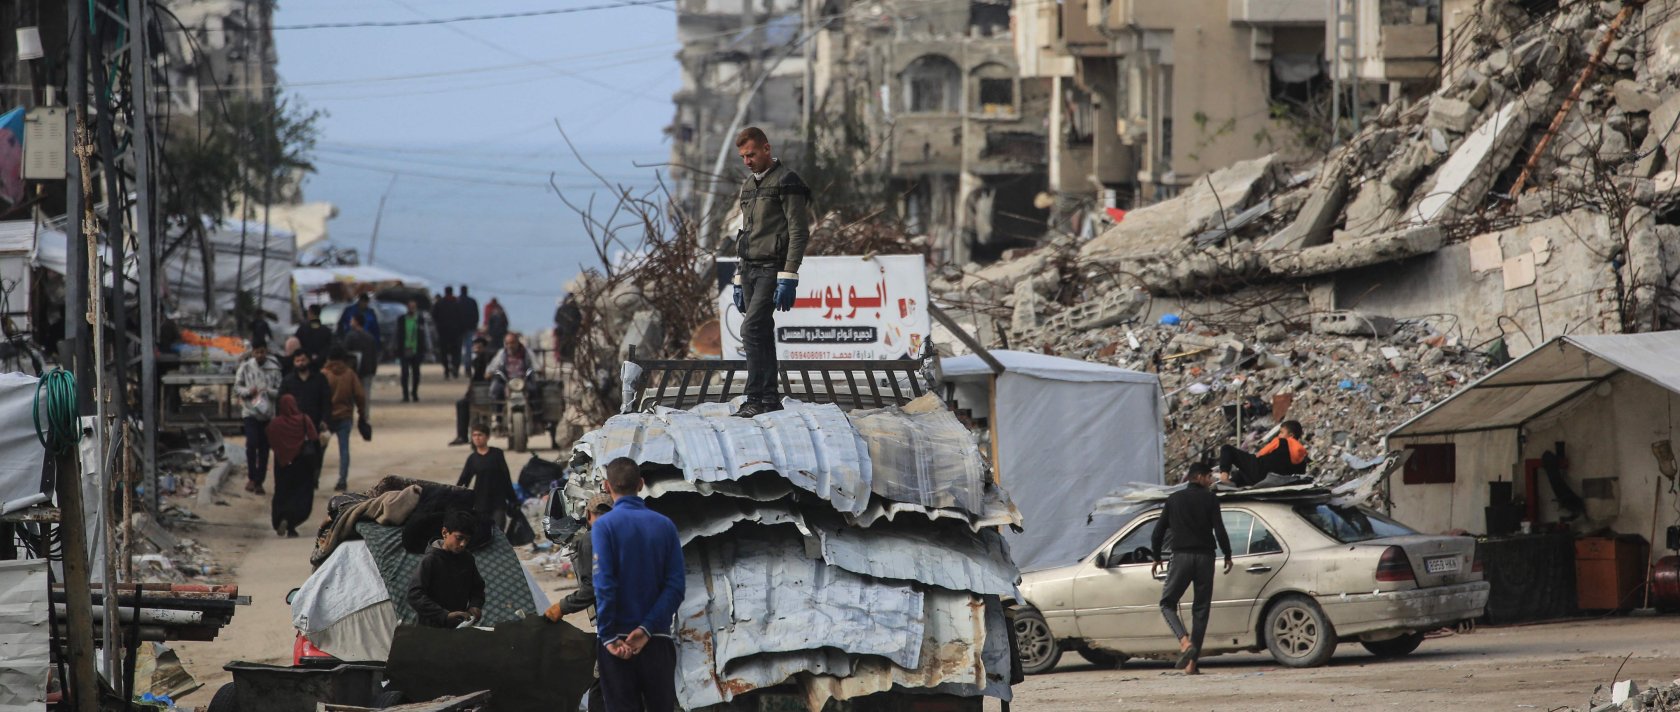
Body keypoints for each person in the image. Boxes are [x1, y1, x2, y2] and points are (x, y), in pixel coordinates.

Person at [728, 126, 810, 418]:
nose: (747, 161)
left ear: (766, 148)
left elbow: (799, 232)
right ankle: (770, 398)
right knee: (761, 332)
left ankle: (753, 397)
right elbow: (745, 232)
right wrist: (738, 277)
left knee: (750, 329)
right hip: (749, 267)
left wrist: (789, 276)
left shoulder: (787, 182)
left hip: (771, 269)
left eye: (751, 154)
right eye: (742, 157)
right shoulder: (749, 186)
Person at [592, 457, 684, 710]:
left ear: (607, 486)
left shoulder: (604, 526)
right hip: (657, 640)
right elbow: (675, 587)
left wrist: (609, 636)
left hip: (617, 643)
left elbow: (605, 585)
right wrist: (646, 629)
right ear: (641, 484)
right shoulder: (665, 526)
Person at [1150, 463, 1233, 675]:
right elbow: (1219, 529)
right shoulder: (1210, 499)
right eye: (1208, 477)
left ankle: (1184, 642)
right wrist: (1228, 554)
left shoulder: (1174, 499)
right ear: (1198, 477)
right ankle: (1192, 664)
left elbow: (1158, 531)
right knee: (1201, 609)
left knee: (1167, 603)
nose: (1211, 480)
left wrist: (1157, 557)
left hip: (1181, 557)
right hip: (1206, 558)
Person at [408, 510, 486, 629]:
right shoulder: (430, 560)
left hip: (458, 626)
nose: (463, 544)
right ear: (445, 532)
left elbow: (477, 587)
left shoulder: (467, 559)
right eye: (459, 538)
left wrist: (475, 606)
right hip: (429, 628)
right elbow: (415, 595)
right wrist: (444, 615)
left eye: (467, 540)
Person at [548, 493, 613, 621]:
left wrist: (562, 607)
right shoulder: (629, 532)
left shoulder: (590, 538)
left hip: (612, 615)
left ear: (588, 514)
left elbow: (591, 588)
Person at [266, 394, 319, 538]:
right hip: (301, 463)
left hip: (282, 464)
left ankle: (281, 518)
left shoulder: (275, 424)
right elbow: (314, 437)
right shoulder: (303, 419)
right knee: (300, 494)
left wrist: (282, 452)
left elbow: (270, 440)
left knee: (283, 492)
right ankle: (292, 525)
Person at [280, 350, 332, 485]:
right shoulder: (288, 381)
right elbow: (281, 403)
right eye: (297, 360)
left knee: (315, 454)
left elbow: (326, 401)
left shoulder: (320, 379)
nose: (300, 363)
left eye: (303, 360)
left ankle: (313, 479)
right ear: (293, 362)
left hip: (315, 424)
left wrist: (325, 420)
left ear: (308, 360)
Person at [235, 344, 282, 495]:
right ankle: (251, 477)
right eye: (257, 352)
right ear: (253, 352)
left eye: (262, 351)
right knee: (251, 443)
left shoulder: (274, 368)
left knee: (264, 449)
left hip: (268, 414)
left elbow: (281, 390)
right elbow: (237, 387)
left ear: (266, 351)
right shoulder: (246, 367)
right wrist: (249, 391)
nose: (260, 355)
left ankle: (259, 481)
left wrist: (269, 391)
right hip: (250, 412)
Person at [321, 347, 369, 493]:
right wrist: (362, 415)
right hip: (345, 417)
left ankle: (314, 478)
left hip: (326, 419)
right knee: (344, 450)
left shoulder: (324, 374)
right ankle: (342, 481)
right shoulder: (350, 374)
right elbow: (360, 396)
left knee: (320, 449)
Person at [456, 423, 516, 532]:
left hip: (498, 502)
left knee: (499, 533)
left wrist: (513, 499)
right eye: (474, 435)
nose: (477, 438)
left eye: (480, 435)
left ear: (487, 437)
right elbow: (464, 480)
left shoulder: (497, 454)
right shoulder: (473, 459)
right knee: (483, 533)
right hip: (480, 503)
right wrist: (456, 498)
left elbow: (506, 476)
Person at [1215, 420, 1309, 487]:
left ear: (1291, 435)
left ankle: (1224, 477)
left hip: (1261, 471)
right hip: (1274, 480)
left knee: (1227, 449)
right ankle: (1233, 483)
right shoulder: (1303, 455)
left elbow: (1260, 454)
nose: (1279, 435)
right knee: (1241, 473)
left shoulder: (1281, 441)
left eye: (1281, 432)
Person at [450, 337, 494, 447]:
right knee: (462, 404)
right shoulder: (476, 361)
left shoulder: (490, 359)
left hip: (489, 392)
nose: (476, 349)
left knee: (463, 404)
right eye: (475, 347)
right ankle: (462, 436)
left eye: (479, 347)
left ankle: (462, 436)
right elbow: (473, 380)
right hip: (478, 391)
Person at [340, 315, 380, 407]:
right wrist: (373, 369)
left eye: (352, 320)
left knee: (350, 396)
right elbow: (374, 355)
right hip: (367, 370)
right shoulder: (370, 337)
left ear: (356, 322)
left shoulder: (350, 336)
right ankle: (364, 418)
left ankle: (349, 418)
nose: (350, 322)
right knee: (365, 395)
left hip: (353, 370)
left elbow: (344, 352)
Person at [396, 300, 430, 402]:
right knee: (405, 373)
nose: (411, 309)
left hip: (417, 350)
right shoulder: (401, 319)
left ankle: (414, 393)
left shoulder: (420, 320)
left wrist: (428, 347)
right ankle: (405, 394)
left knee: (416, 373)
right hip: (404, 350)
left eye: (413, 307)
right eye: (410, 307)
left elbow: (426, 334)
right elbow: (396, 334)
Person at [486, 332, 533, 403]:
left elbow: (535, 364)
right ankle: (497, 412)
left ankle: (537, 412)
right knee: (495, 389)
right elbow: (493, 365)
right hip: (506, 381)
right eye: (507, 343)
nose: (510, 346)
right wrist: (489, 372)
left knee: (534, 390)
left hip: (523, 381)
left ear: (517, 342)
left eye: (512, 343)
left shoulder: (527, 352)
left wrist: (538, 369)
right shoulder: (502, 353)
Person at [433, 286, 462, 379]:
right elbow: (462, 317)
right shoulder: (457, 303)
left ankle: (446, 370)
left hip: (443, 331)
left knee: (444, 352)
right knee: (456, 352)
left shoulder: (440, 303)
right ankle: (455, 369)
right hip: (455, 331)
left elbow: (434, 316)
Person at [294, 305, 335, 370]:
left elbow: (296, 344)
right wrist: (319, 357)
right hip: (322, 365)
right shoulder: (326, 330)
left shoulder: (302, 329)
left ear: (310, 313)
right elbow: (329, 347)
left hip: (305, 364)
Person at [553, 293, 582, 362]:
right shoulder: (573, 310)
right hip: (567, 333)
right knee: (566, 347)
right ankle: (565, 358)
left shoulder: (572, 310)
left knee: (566, 347)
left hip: (567, 333)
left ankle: (564, 358)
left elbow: (556, 319)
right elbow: (557, 319)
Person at [458, 285, 481, 367]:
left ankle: (458, 363)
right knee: (468, 347)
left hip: (458, 328)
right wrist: (475, 324)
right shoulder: (472, 301)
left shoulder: (457, 301)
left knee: (459, 347)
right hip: (470, 327)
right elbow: (476, 314)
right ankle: (467, 365)